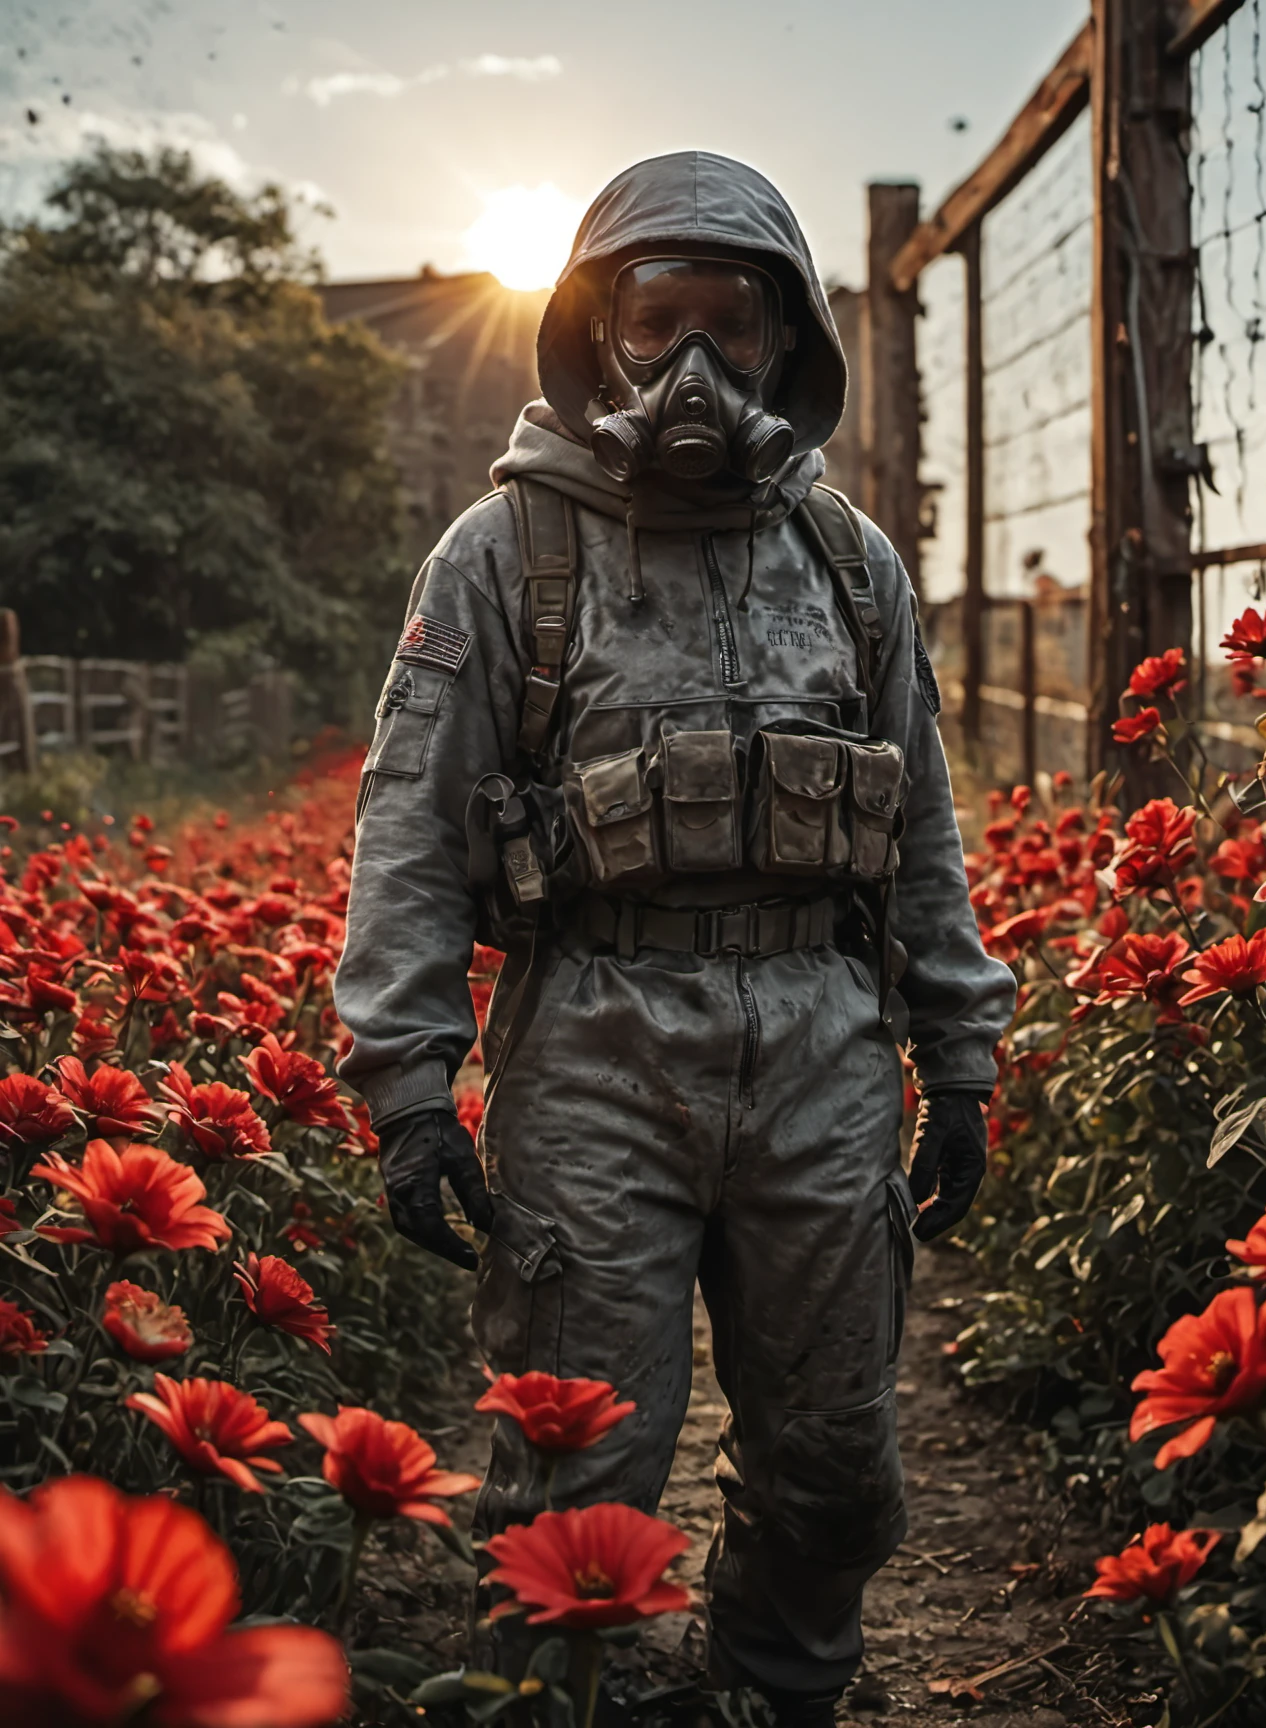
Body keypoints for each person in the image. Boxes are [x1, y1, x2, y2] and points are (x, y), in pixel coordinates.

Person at [334, 150, 1016, 1727]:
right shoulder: (504, 557)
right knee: (576, 1489)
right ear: (598, 333)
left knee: (837, 1467)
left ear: (792, 343)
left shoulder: (852, 565)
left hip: (825, 1053)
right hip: (593, 1050)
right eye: (662, 320)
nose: (697, 364)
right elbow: (412, 826)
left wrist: (960, 1058)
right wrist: (411, 1087)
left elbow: (920, 831)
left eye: (736, 322)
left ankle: (774, 1694)